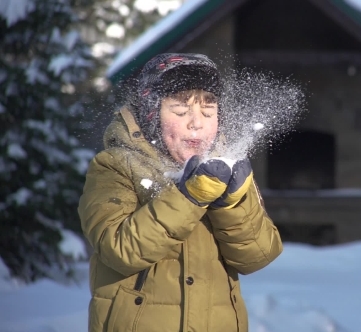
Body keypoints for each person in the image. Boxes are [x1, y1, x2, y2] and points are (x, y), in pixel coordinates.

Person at [78, 53, 283, 332]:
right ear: (152, 115)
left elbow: (258, 255)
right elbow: (118, 249)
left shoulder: (224, 168)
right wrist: (189, 197)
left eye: (208, 112)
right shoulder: (115, 165)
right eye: (180, 111)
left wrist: (232, 205)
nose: (196, 122)